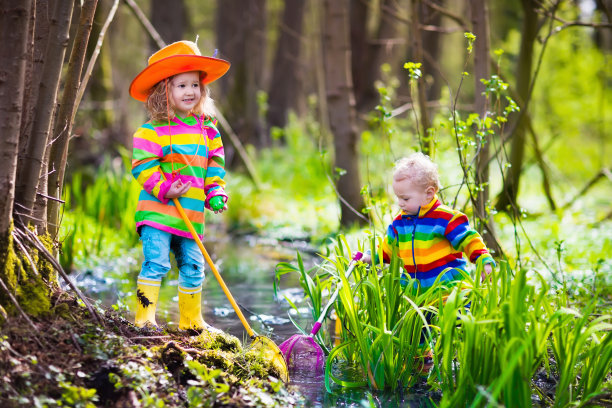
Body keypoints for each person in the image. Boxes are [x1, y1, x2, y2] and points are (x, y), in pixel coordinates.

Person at [128, 40, 230, 332]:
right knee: (156, 263)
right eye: (181, 85)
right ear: (164, 90)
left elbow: (214, 166)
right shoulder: (151, 131)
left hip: (192, 213)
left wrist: (215, 192)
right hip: (159, 211)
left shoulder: (207, 130)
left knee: (194, 267)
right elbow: (143, 165)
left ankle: (191, 321)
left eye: (195, 85)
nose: (190, 91)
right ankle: (145, 318)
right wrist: (163, 187)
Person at [360, 152, 495, 287]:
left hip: (448, 292)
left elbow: (469, 240)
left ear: (429, 193)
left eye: (405, 198)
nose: (400, 203)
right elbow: (387, 249)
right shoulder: (400, 224)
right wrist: (368, 257)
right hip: (417, 297)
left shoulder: (445, 219)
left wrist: (484, 261)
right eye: (398, 197)